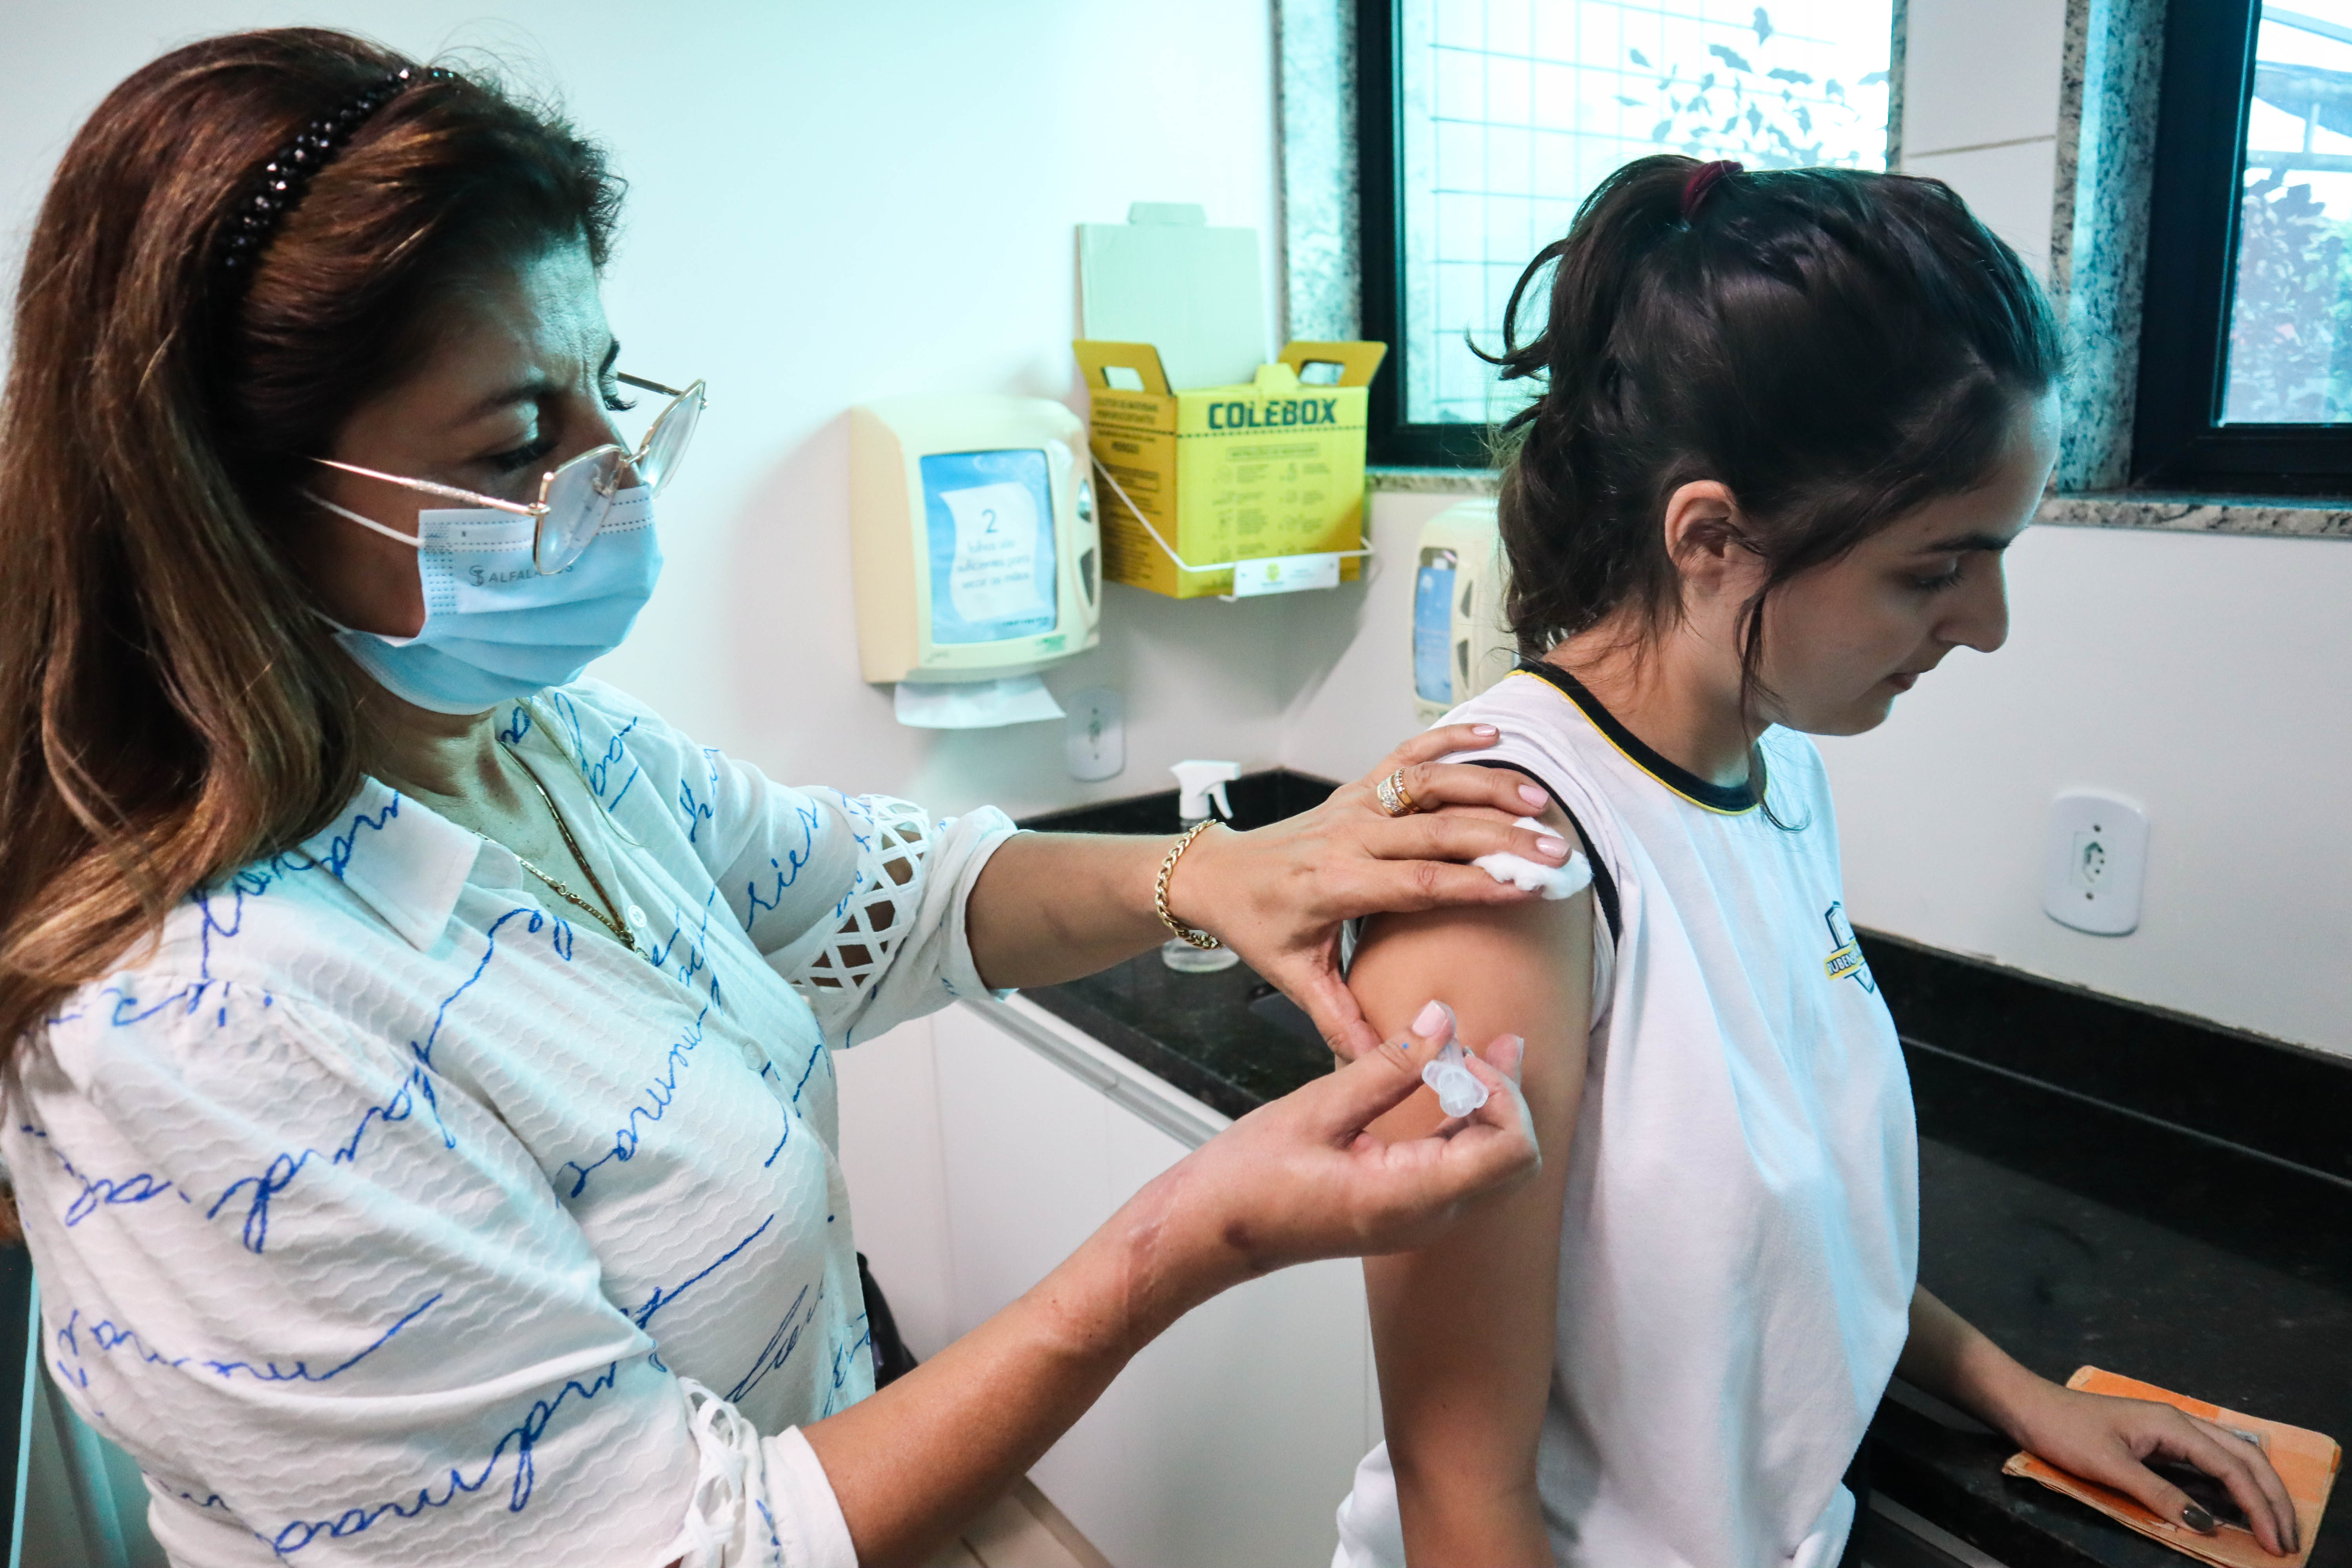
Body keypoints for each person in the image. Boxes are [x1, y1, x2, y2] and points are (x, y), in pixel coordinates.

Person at [0, 31, 1581, 1567]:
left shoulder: (539, 743)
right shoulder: (201, 1033)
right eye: (517, 441)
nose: (613, 469)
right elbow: (691, 1543)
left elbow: (875, 891)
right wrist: (1194, 1236)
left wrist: (1216, 872)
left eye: (607, 388)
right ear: (230, 508)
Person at [1330, 156, 2304, 1568]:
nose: (1989, 624)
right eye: (1936, 567)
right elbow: (1458, 1490)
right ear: (1712, 537)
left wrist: (2023, 1397)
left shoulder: (1780, 777)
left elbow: (1810, 1237)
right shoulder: (1500, 862)